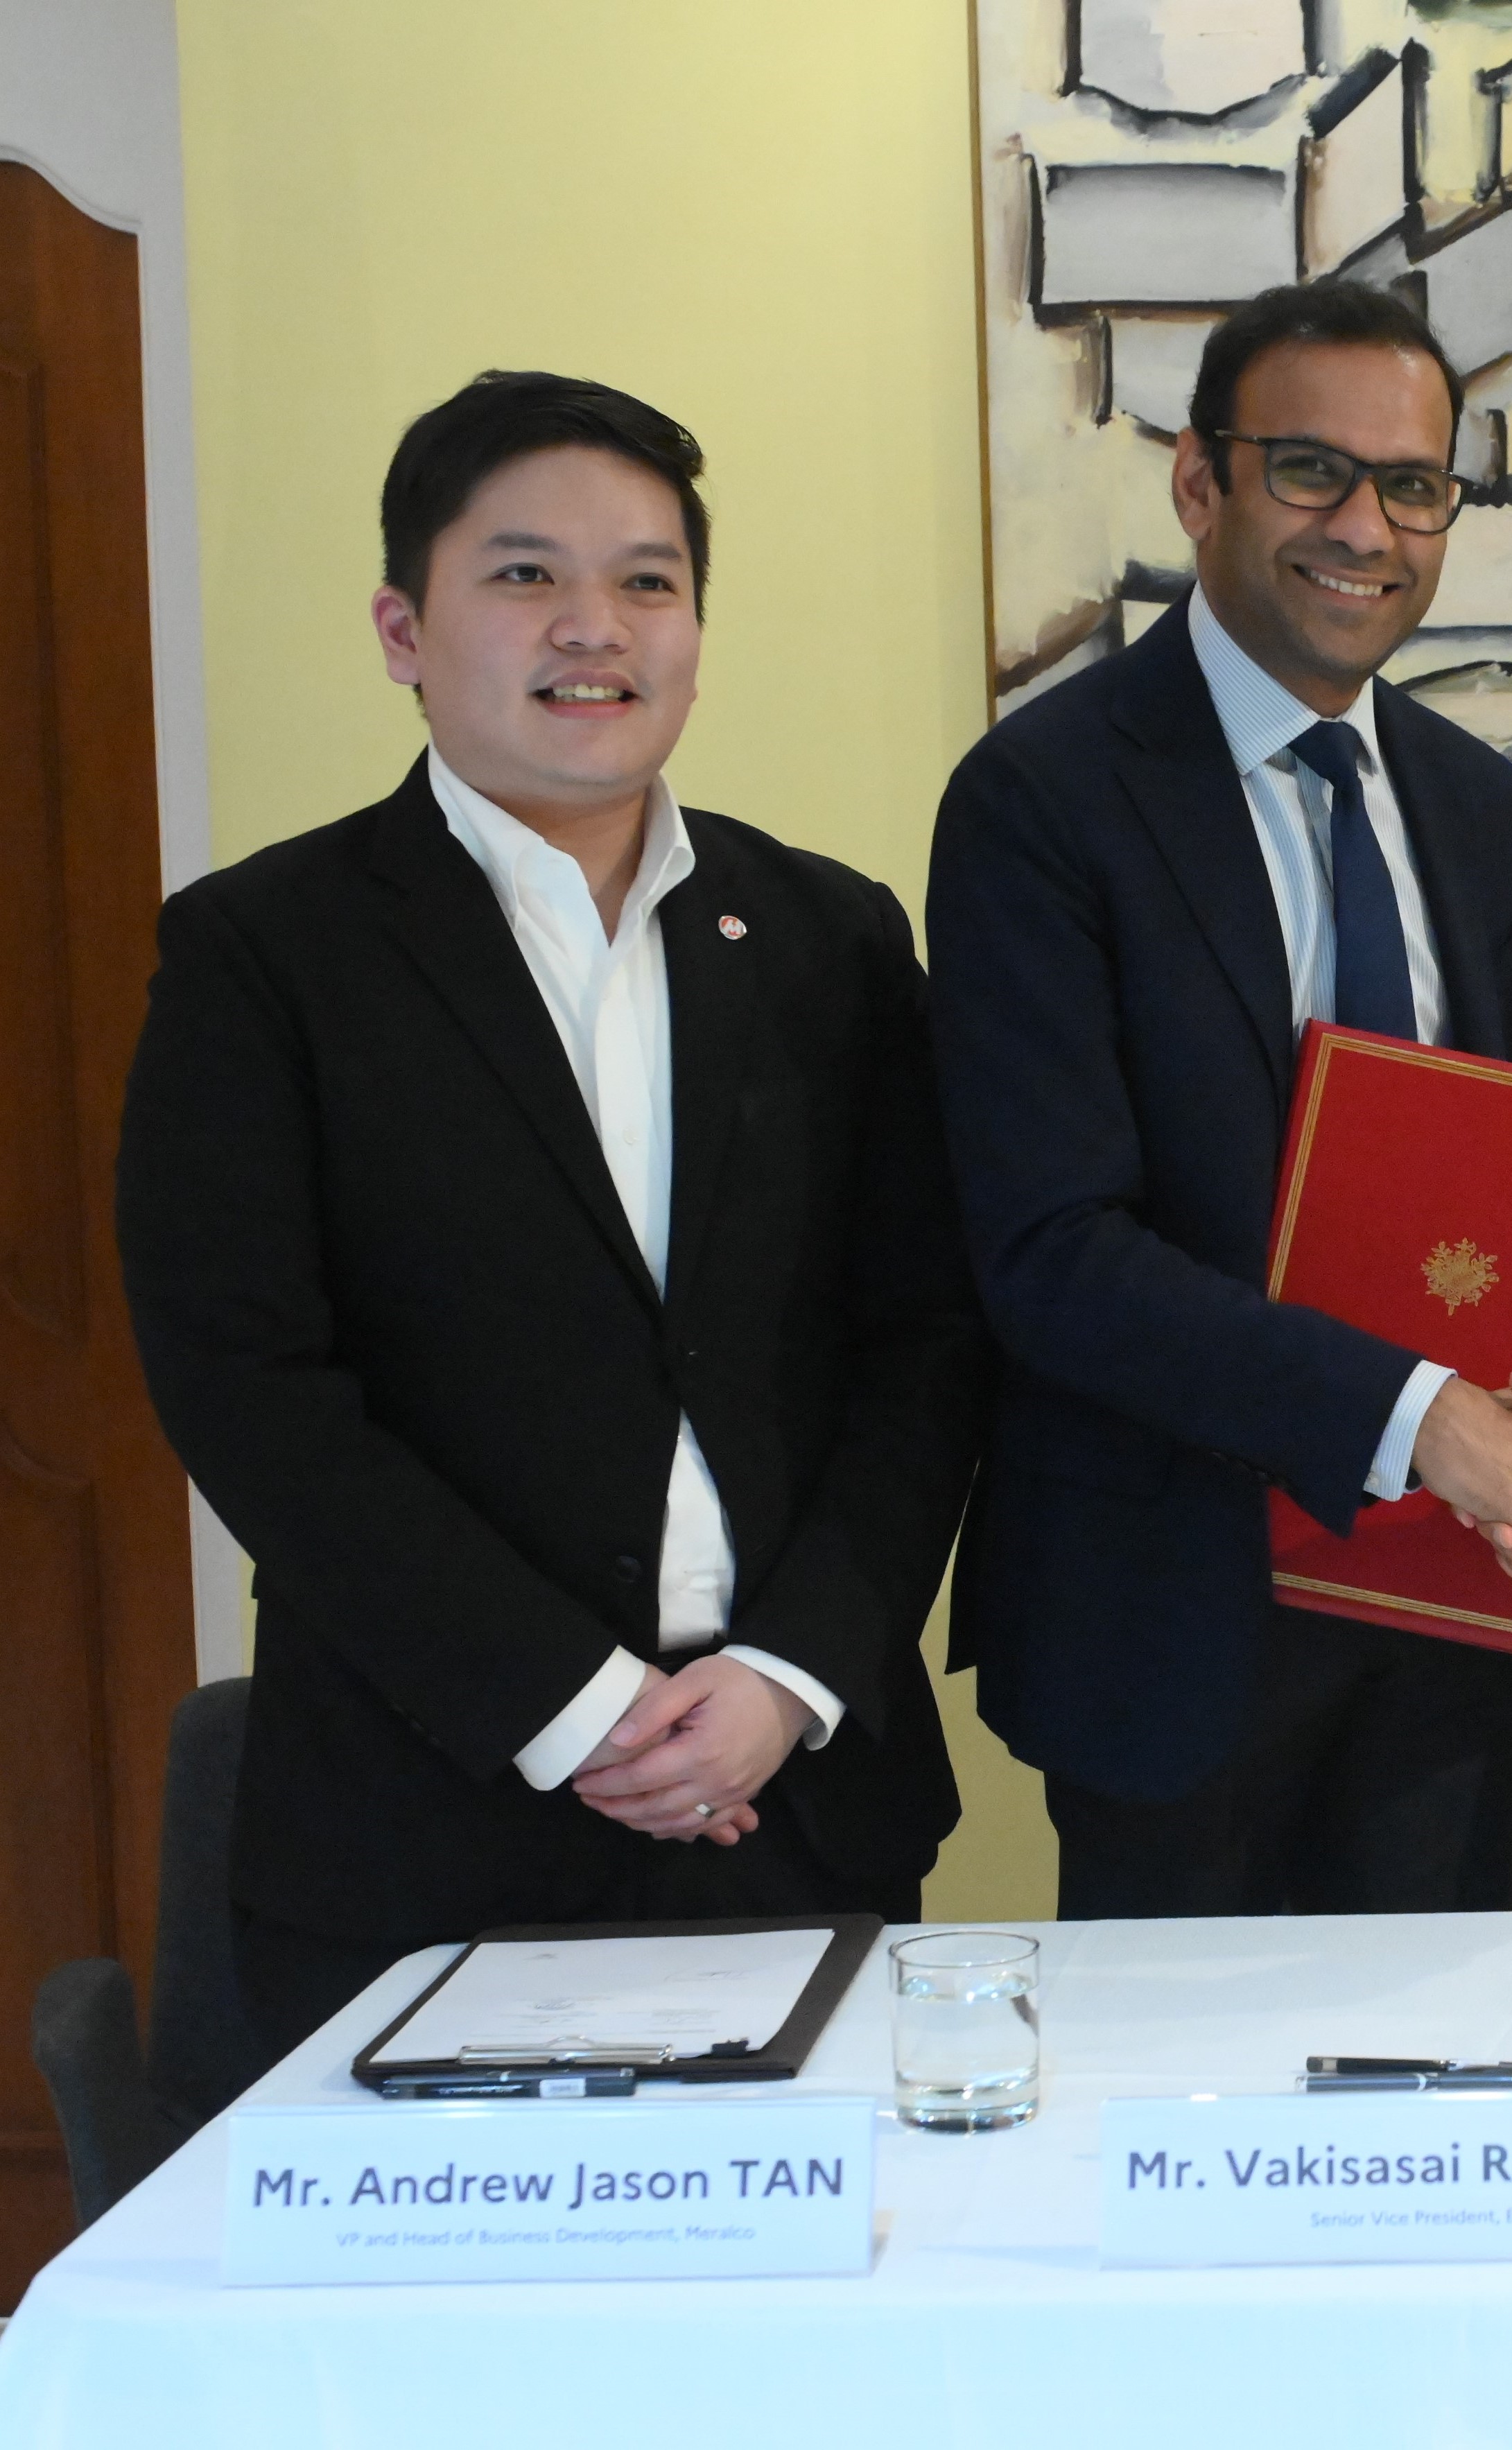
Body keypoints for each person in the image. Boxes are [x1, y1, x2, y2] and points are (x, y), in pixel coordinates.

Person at [116, 372, 987, 2062]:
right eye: (525, 575)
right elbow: (248, 1386)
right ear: (403, 628)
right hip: (423, 1820)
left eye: (648, 581)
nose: (595, 627)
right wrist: (578, 1710)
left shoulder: (830, 937)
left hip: (793, 1800)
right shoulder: (265, 955)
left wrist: (791, 1676)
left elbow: (925, 1342)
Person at [926, 281, 1512, 1919]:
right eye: (1310, 471)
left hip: (1444, 1607)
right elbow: (1054, 1254)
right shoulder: (1039, 801)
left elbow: (1465, 1189)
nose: (1366, 527)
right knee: (1173, 2079)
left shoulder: (1469, 803)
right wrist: (1424, 1419)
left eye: (1413, 486)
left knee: (1434, 2066)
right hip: (1173, 1622)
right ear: (1199, 482)